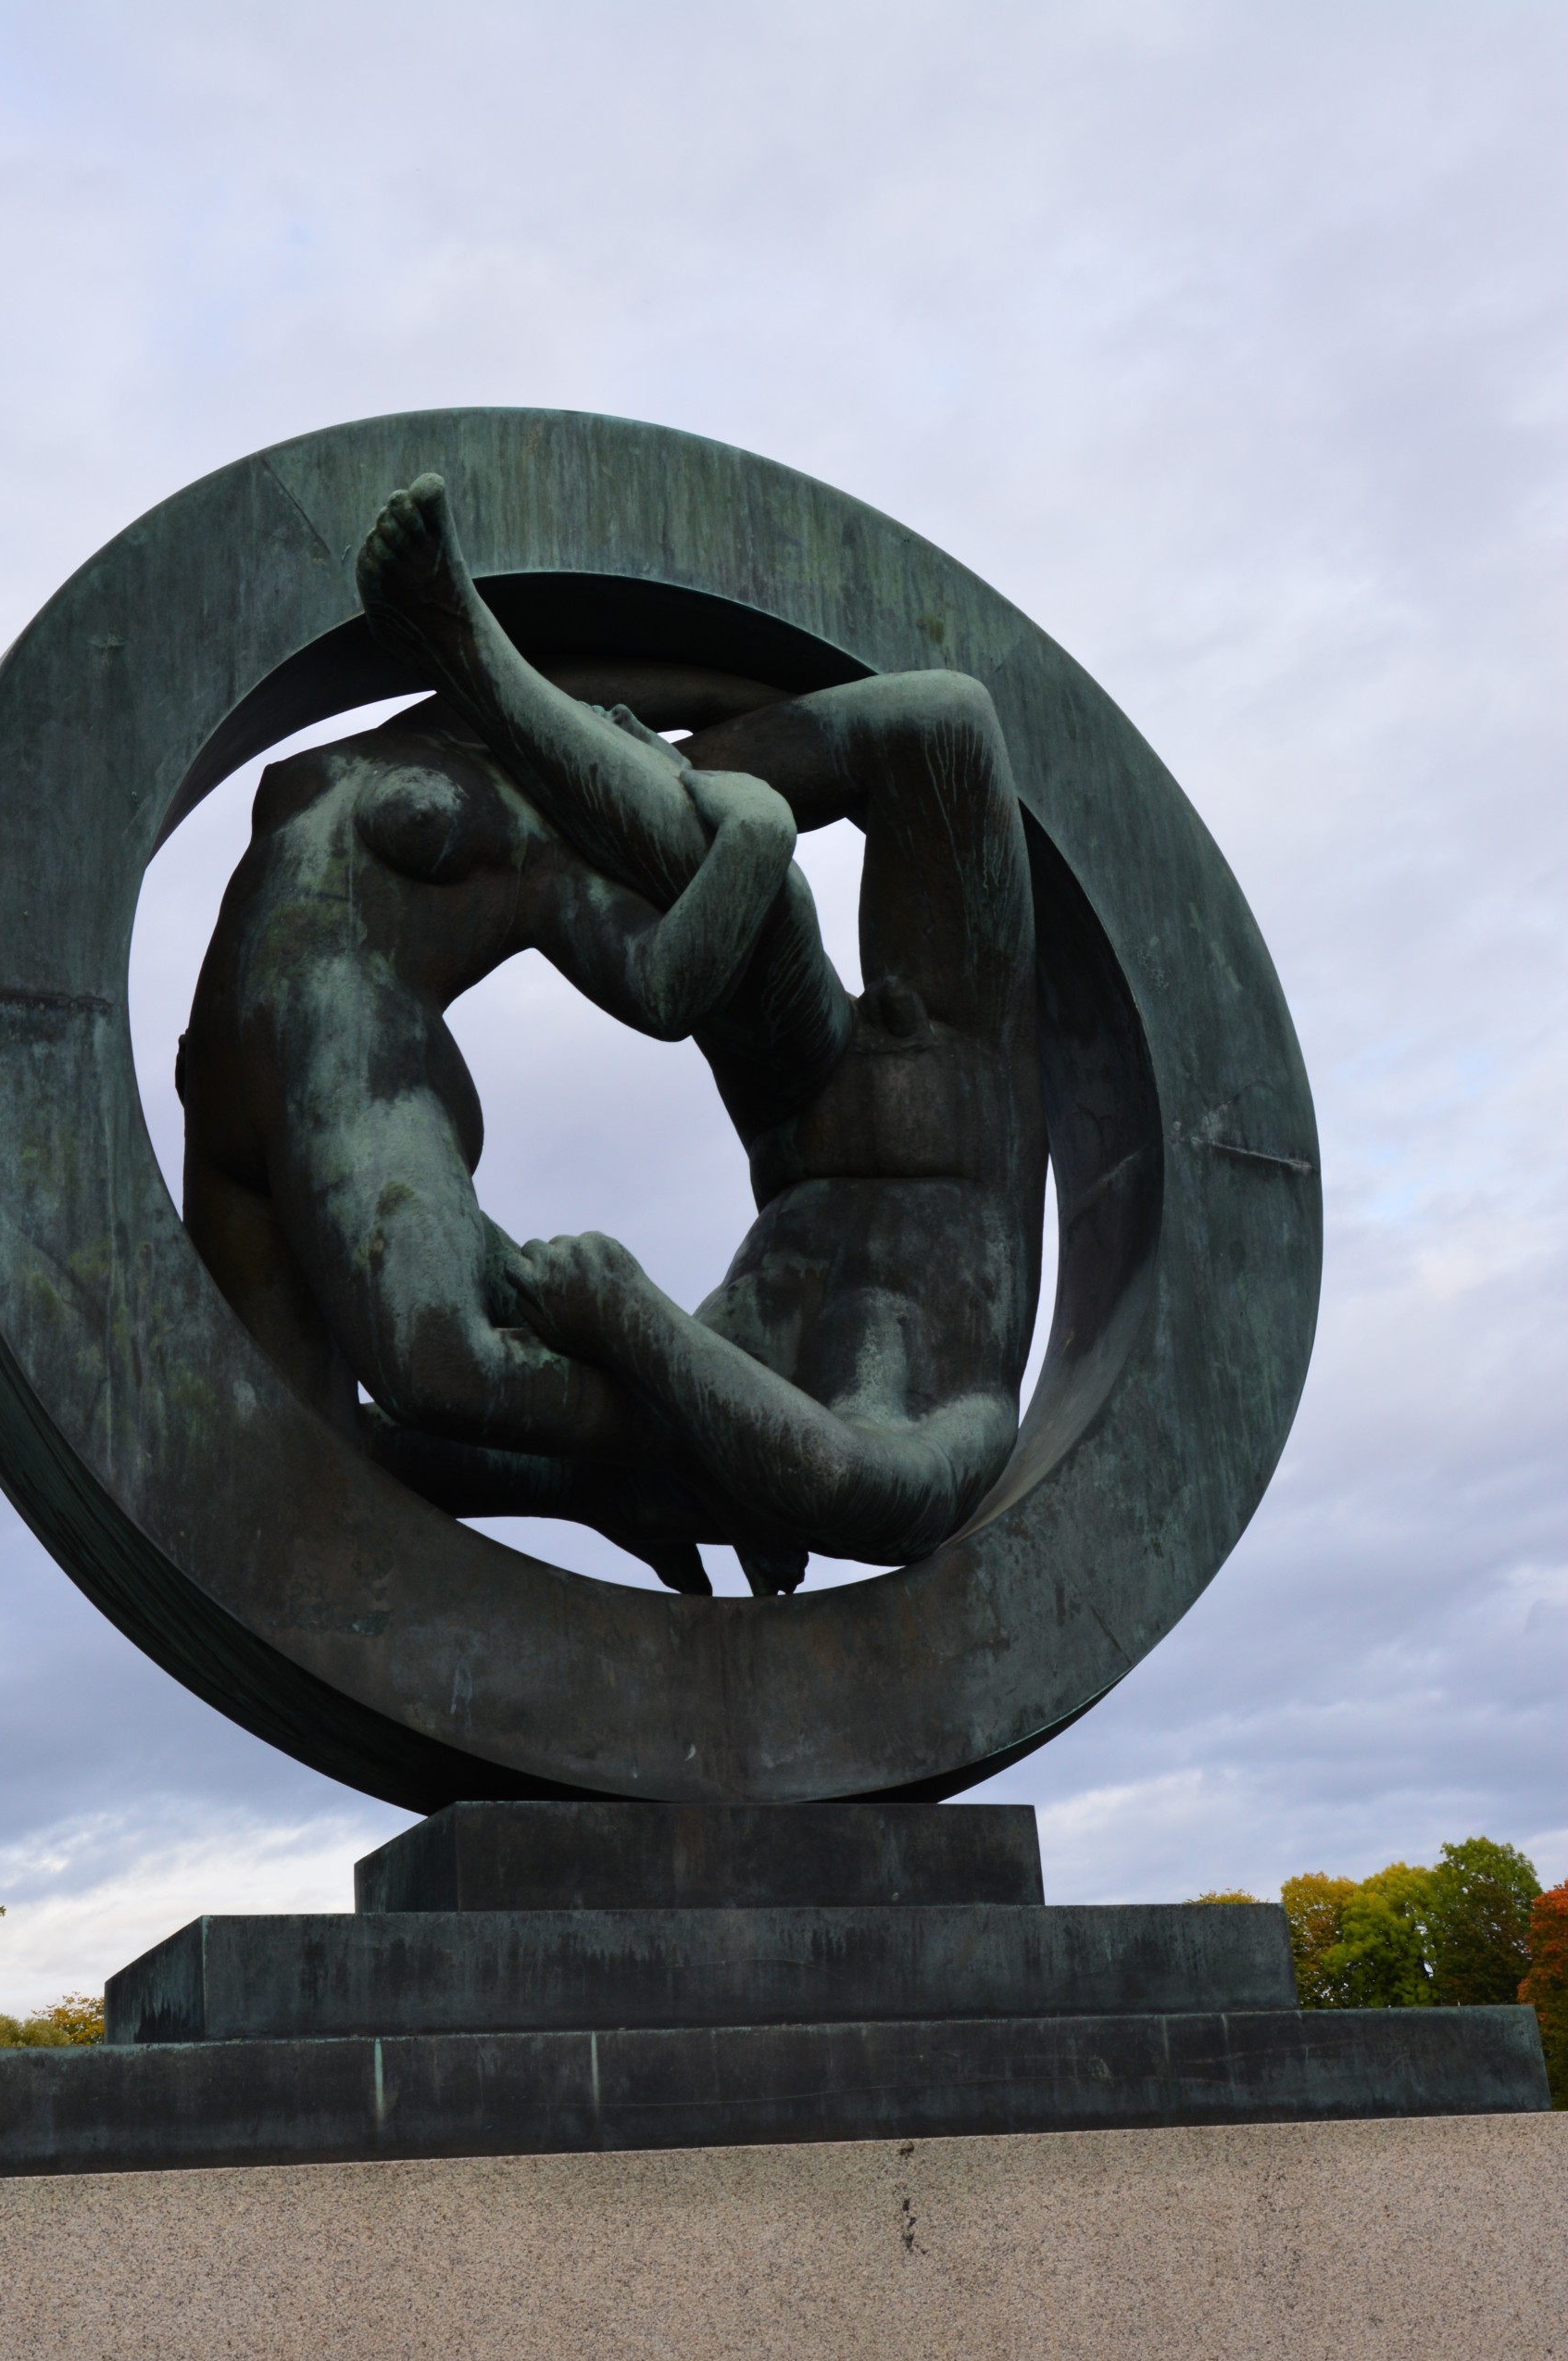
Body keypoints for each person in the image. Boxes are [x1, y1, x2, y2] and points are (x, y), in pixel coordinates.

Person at [180, 474, 1044, 1591]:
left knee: (764, 900)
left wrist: (627, 1334)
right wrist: (628, 1317)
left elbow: (387, 1444)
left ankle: (559, 727)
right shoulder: (944, 1394)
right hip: (942, 1058)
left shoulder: (716, 1380)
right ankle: (584, 739)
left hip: (797, 1096)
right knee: (942, 724)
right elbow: (870, 1496)